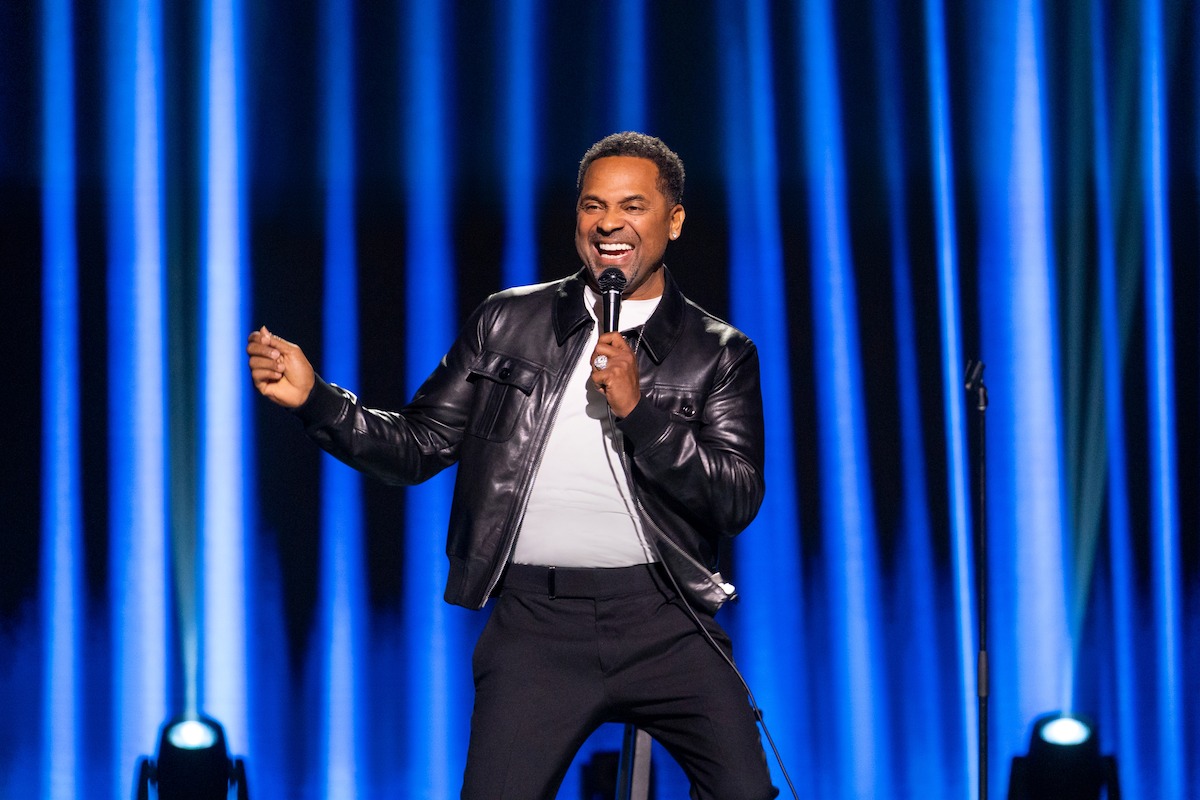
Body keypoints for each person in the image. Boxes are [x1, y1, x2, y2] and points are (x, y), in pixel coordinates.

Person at [246, 131, 778, 799]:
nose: (609, 223)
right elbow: (417, 447)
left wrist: (641, 412)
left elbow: (735, 498)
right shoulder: (507, 321)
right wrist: (317, 399)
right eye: (593, 206)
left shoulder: (718, 352)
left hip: (668, 620)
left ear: (673, 220)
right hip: (537, 627)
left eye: (632, 206)